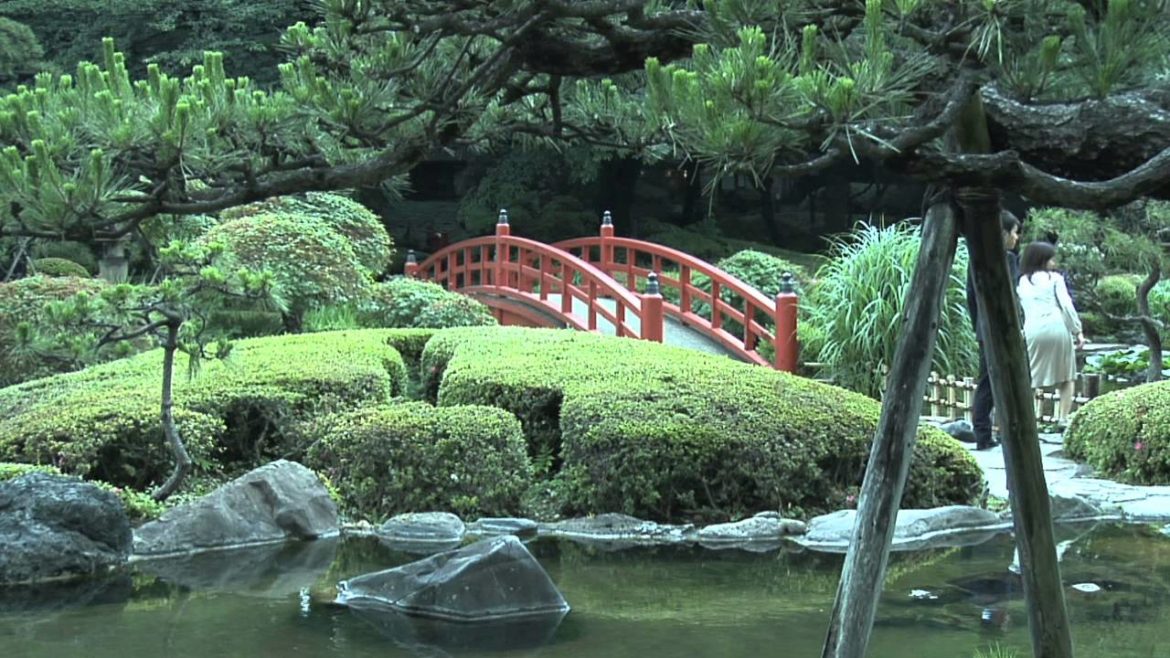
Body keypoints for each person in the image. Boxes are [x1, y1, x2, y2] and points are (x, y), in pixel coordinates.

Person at [966, 210, 1021, 450]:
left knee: (988, 380)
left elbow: (970, 296)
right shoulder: (1007, 259)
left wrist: (978, 324)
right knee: (994, 382)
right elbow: (1009, 297)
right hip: (1002, 328)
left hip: (984, 328)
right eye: (1015, 233)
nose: (1016, 238)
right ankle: (985, 435)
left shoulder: (975, 257)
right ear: (1003, 233)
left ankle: (984, 432)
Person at [1016, 241, 1085, 425]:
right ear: (1042, 260)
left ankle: (1026, 419)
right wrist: (1077, 331)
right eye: (1051, 258)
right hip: (1056, 328)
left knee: (1030, 376)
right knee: (1067, 377)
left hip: (1032, 329)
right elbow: (1067, 306)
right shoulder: (1055, 279)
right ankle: (1062, 419)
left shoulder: (1022, 281)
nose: (1054, 262)